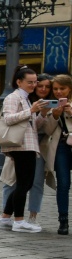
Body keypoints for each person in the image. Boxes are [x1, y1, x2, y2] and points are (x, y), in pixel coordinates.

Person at [0, 73, 55, 230]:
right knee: (23, 184)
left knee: (24, 184)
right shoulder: (13, 97)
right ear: (19, 82)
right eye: (30, 82)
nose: (33, 85)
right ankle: (19, 221)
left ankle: (6, 218)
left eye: (35, 82)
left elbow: (31, 125)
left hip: (28, 145)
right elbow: (8, 119)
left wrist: (41, 113)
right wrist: (32, 110)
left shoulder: (25, 98)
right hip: (20, 145)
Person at [50, 73, 71, 235]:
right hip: (62, 147)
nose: (58, 92)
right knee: (63, 184)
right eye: (55, 89)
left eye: (62, 89)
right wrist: (55, 116)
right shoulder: (51, 105)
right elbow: (47, 130)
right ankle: (63, 220)